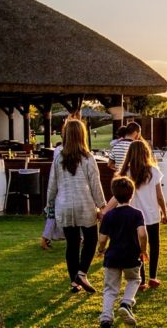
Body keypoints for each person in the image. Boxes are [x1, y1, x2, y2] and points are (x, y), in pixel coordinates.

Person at [46, 119, 104, 294]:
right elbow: (95, 184)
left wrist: (49, 203)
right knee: (91, 239)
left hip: (64, 205)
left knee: (72, 244)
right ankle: (82, 272)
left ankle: (74, 281)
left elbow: (52, 185)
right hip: (84, 204)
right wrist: (101, 205)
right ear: (82, 135)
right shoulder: (88, 158)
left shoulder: (59, 158)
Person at [102, 139, 167, 290]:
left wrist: (105, 210)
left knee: (137, 247)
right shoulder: (153, 171)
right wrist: (164, 213)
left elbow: (116, 196)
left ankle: (142, 280)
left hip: (133, 218)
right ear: (146, 153)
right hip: (152, 215)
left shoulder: (126, 173)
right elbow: (159, 196)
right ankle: (153, 277)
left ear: (130, 154)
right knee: (154, 245)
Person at [97, 177, 148, 328]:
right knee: (134, 280)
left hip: (112, 256)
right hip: (131, 256)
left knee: (110, 289)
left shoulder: (109, 216)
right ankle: (126, 303)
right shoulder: (136, 214)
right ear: (132, 194)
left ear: (114, 195)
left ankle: (106, 318)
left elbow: (102, 239)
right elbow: (142, 234)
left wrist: (101, 250)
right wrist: (143, 250)